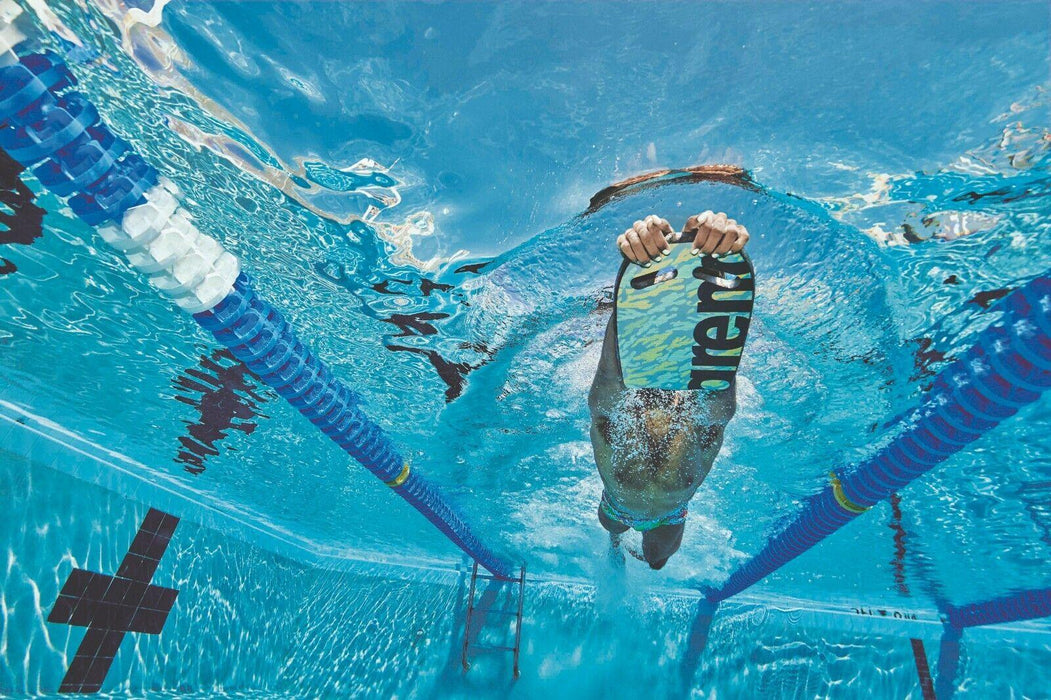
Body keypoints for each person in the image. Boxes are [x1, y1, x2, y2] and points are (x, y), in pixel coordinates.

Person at [588, 211, 751, 569]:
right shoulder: (617, 406)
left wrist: (716, 252)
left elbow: (718, 372)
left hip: (669, 514)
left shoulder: (698, 409)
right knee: (612, 529)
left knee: (656, 559)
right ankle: (616, 544)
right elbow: (612, 376)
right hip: (618, 507)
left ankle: (627, 545)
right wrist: (630, 278)